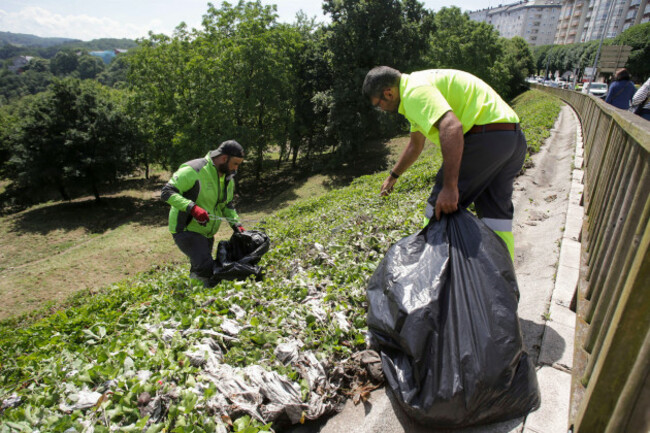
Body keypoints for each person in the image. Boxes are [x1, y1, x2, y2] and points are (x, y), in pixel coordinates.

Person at [362, 66, 527, 260]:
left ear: (388, 93)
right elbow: (415, 146)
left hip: (485, 138)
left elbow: (451, 126)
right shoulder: (418, 88)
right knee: (496, 216)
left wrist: (450, 187)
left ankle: (428, 273)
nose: (380, 109)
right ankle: (502, 277)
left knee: (437, 209)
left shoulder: (414, 93)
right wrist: (393, 176)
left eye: (377, 104)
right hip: (511, 139)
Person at [161, 140, 246, 284]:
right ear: (224, 158)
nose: (236, 169)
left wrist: (236, 225)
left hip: (207, 232)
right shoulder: (194, 169)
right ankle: (202, 297)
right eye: (235, 163)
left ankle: (193, 296)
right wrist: (192, 208)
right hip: (186, 229)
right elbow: (167, 192)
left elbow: (227, 205)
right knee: (206, 267)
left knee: (200, 267)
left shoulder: (228, 178)